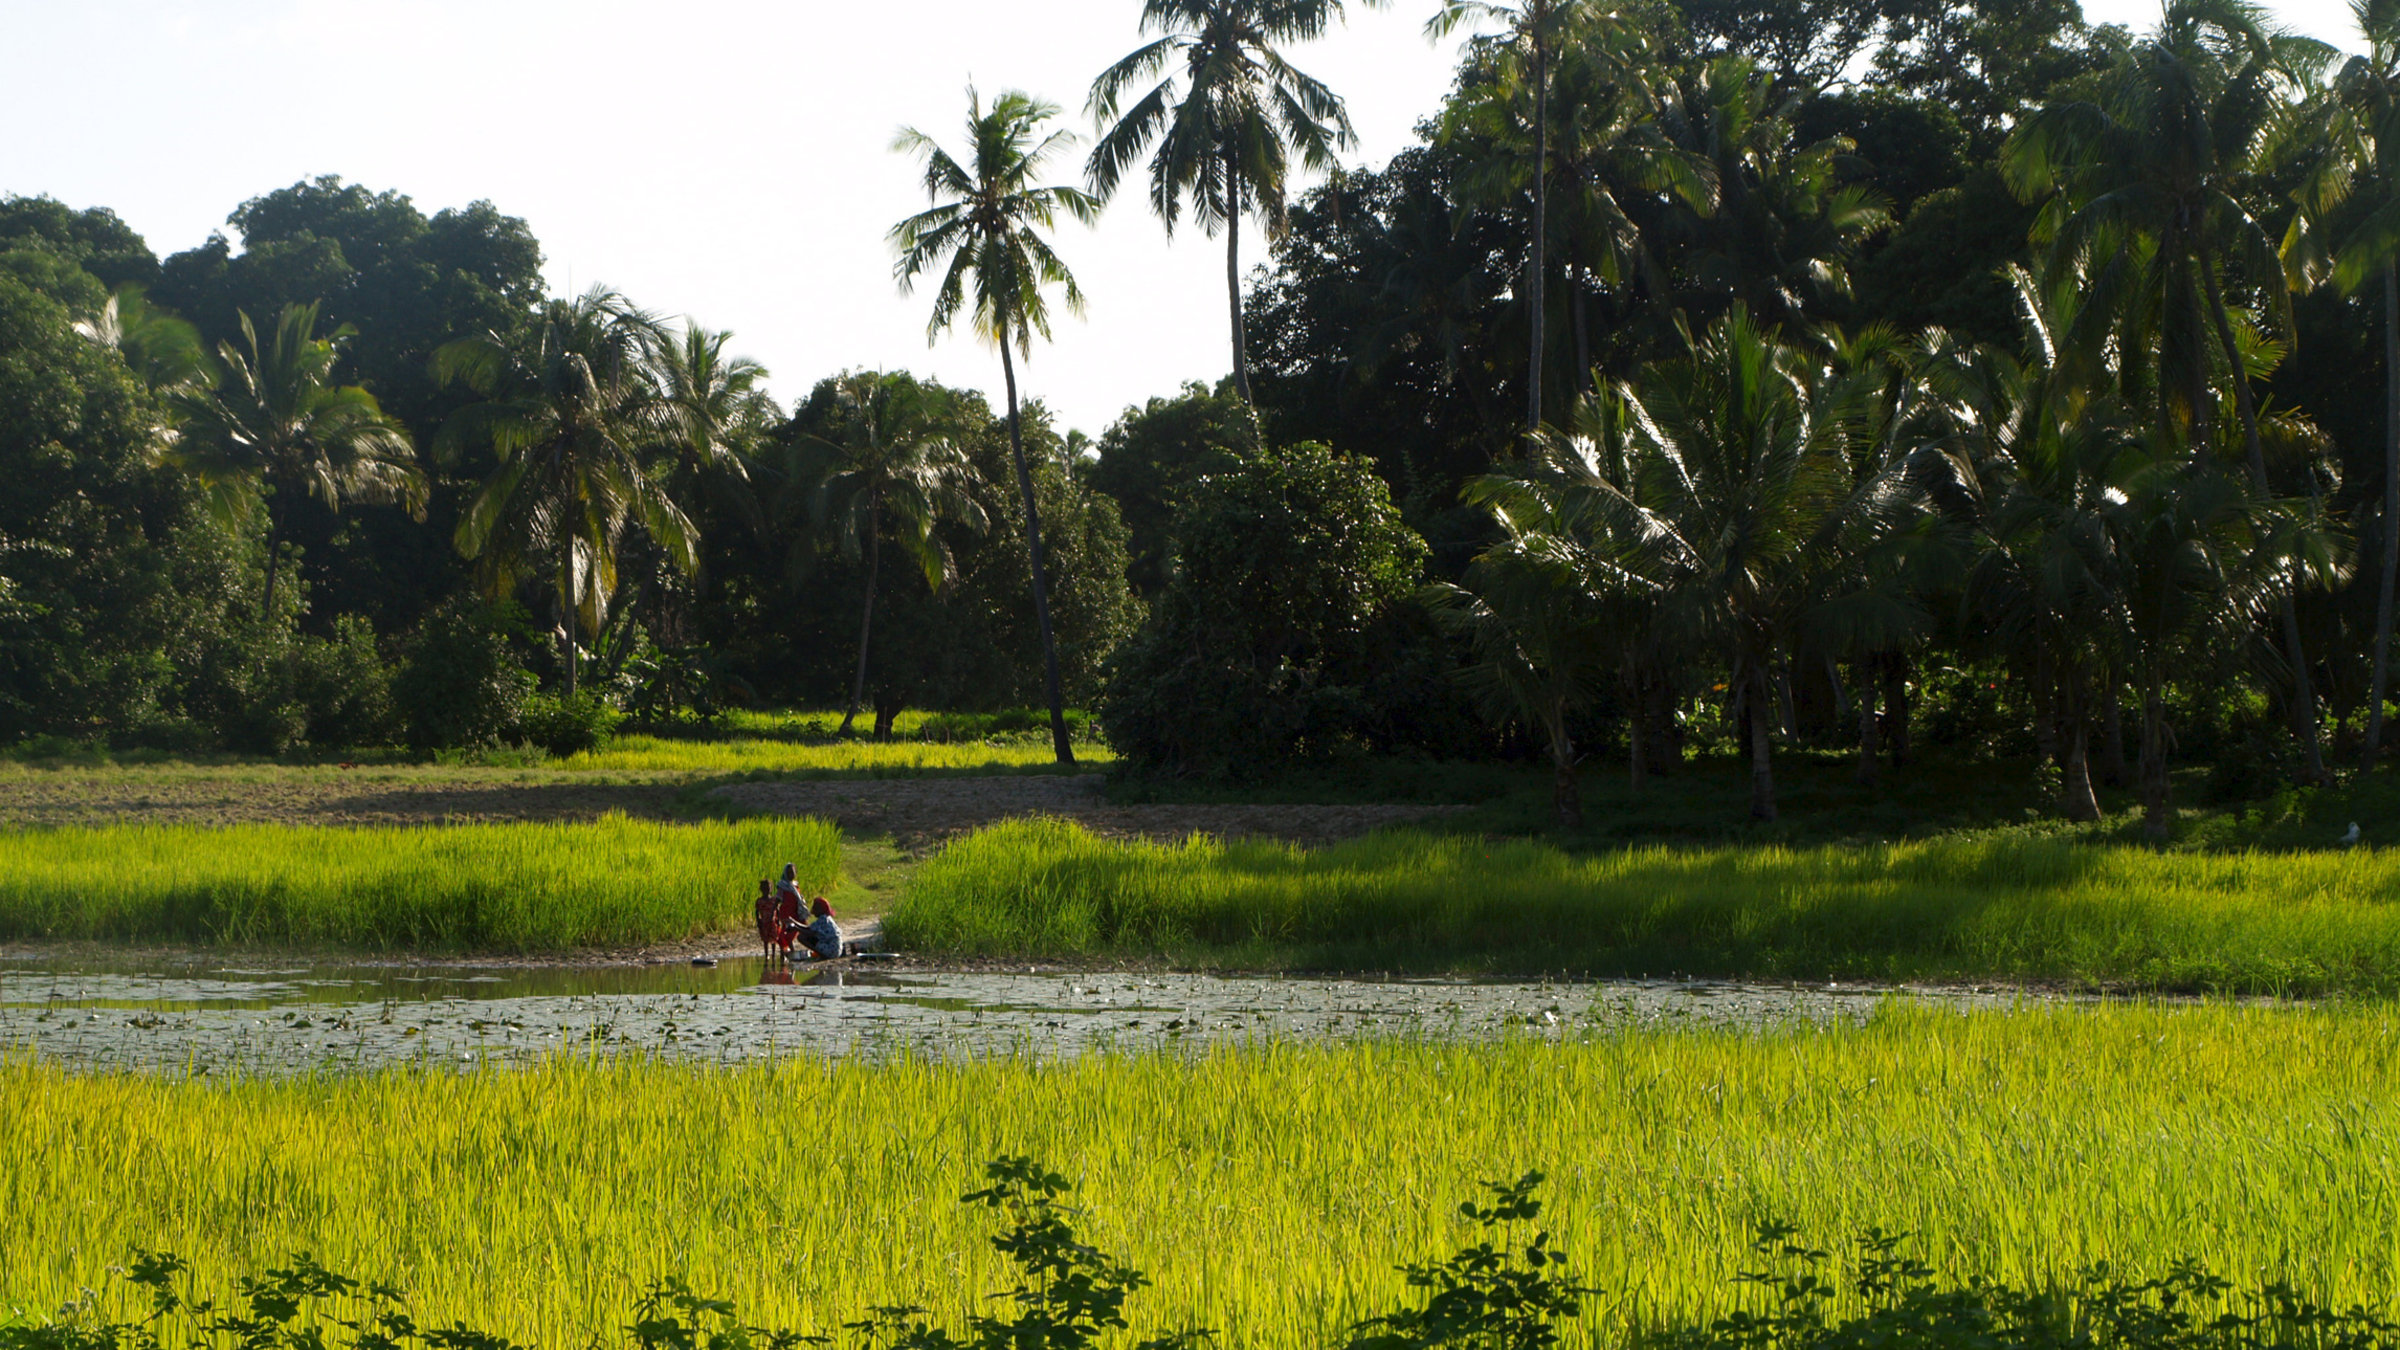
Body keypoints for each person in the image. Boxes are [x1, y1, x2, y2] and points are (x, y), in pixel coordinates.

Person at [753, 878, 777, 961]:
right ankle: (767, 954)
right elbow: (757, 911)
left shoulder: (774, 900)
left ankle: (773, 954)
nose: (767, 890)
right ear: (761, 889)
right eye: (765, 888)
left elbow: (777, 910)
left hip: (773, 922)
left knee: (773, 938)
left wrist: (778, 920)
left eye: (769, 888)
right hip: (764, 922)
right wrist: (758, 920)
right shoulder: (759, 901)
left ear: (771, 889)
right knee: (765, 939)